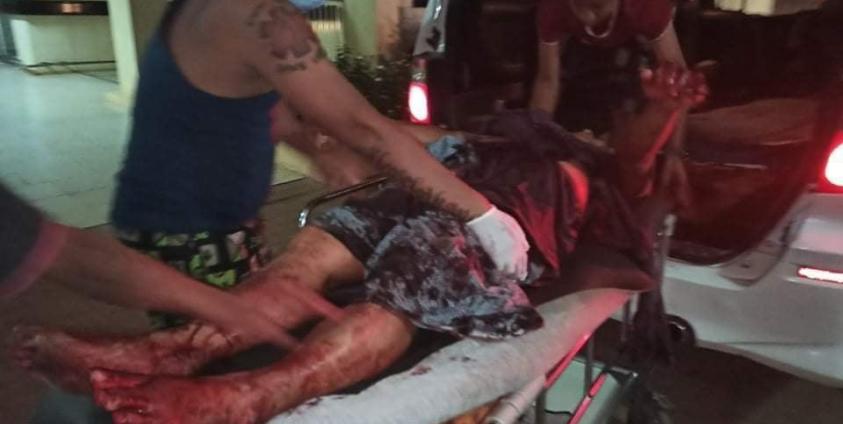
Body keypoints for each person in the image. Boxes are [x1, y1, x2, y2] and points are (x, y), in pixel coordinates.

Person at [12, 64, 707, 424]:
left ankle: (250, 397)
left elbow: (633, 159)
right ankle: (171, 349)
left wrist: (662, 110)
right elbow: (412, 139)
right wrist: (331, 133)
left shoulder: (588, 175)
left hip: (496, 227)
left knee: (410, 276)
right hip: (430, 193)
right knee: (311, 251)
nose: (590, 132)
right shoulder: (516, 135)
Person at [109, 0, 530, 330]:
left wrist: (322, 151)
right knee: (220, 354)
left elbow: (272, 114)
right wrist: (481, 214)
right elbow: (364, 128)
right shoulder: (256, 14)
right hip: (188, 229)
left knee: (251, 326)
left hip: (210, 222)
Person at [0, 182, 333, 348]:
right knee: (198, 340)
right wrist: (226, 307)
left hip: (218, 214)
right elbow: (77, 259)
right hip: (185, 221)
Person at [529, 0, 691, 205]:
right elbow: (547, 80)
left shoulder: (647, 6)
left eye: (595, 7)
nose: (588, 16)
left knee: (632, 156)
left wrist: (674, 152)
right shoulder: (553, 6)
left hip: (639, 59)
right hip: (582, 61)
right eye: (580, 6)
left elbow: (679, 83)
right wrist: (533, 140)